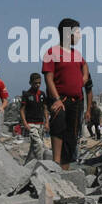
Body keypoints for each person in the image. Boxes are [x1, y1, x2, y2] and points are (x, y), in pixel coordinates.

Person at [43, 17, 89, 169]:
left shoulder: (77, 54)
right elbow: (48, 78)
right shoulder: (51, 52)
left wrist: (83, 78)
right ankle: (56, 164)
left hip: (77, 101)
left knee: (71, 136)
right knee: (58, 128)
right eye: (77, 32)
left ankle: (66, 169)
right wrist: (56, 99)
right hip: (60, 99)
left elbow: (84, 66)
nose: (80, 35)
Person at [20, 73, 49, 160]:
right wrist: (25, 123)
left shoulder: (42, 94)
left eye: (39, 83)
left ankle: (27, 165)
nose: (37, 85)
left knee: (33, 148)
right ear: (30, 83)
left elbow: (45, 108)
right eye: (35, 83)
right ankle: (41, 164)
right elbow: (22, 110)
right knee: (39, 144)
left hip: (40, 124)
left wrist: (47, 122)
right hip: (31, 124)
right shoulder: (26, 95)